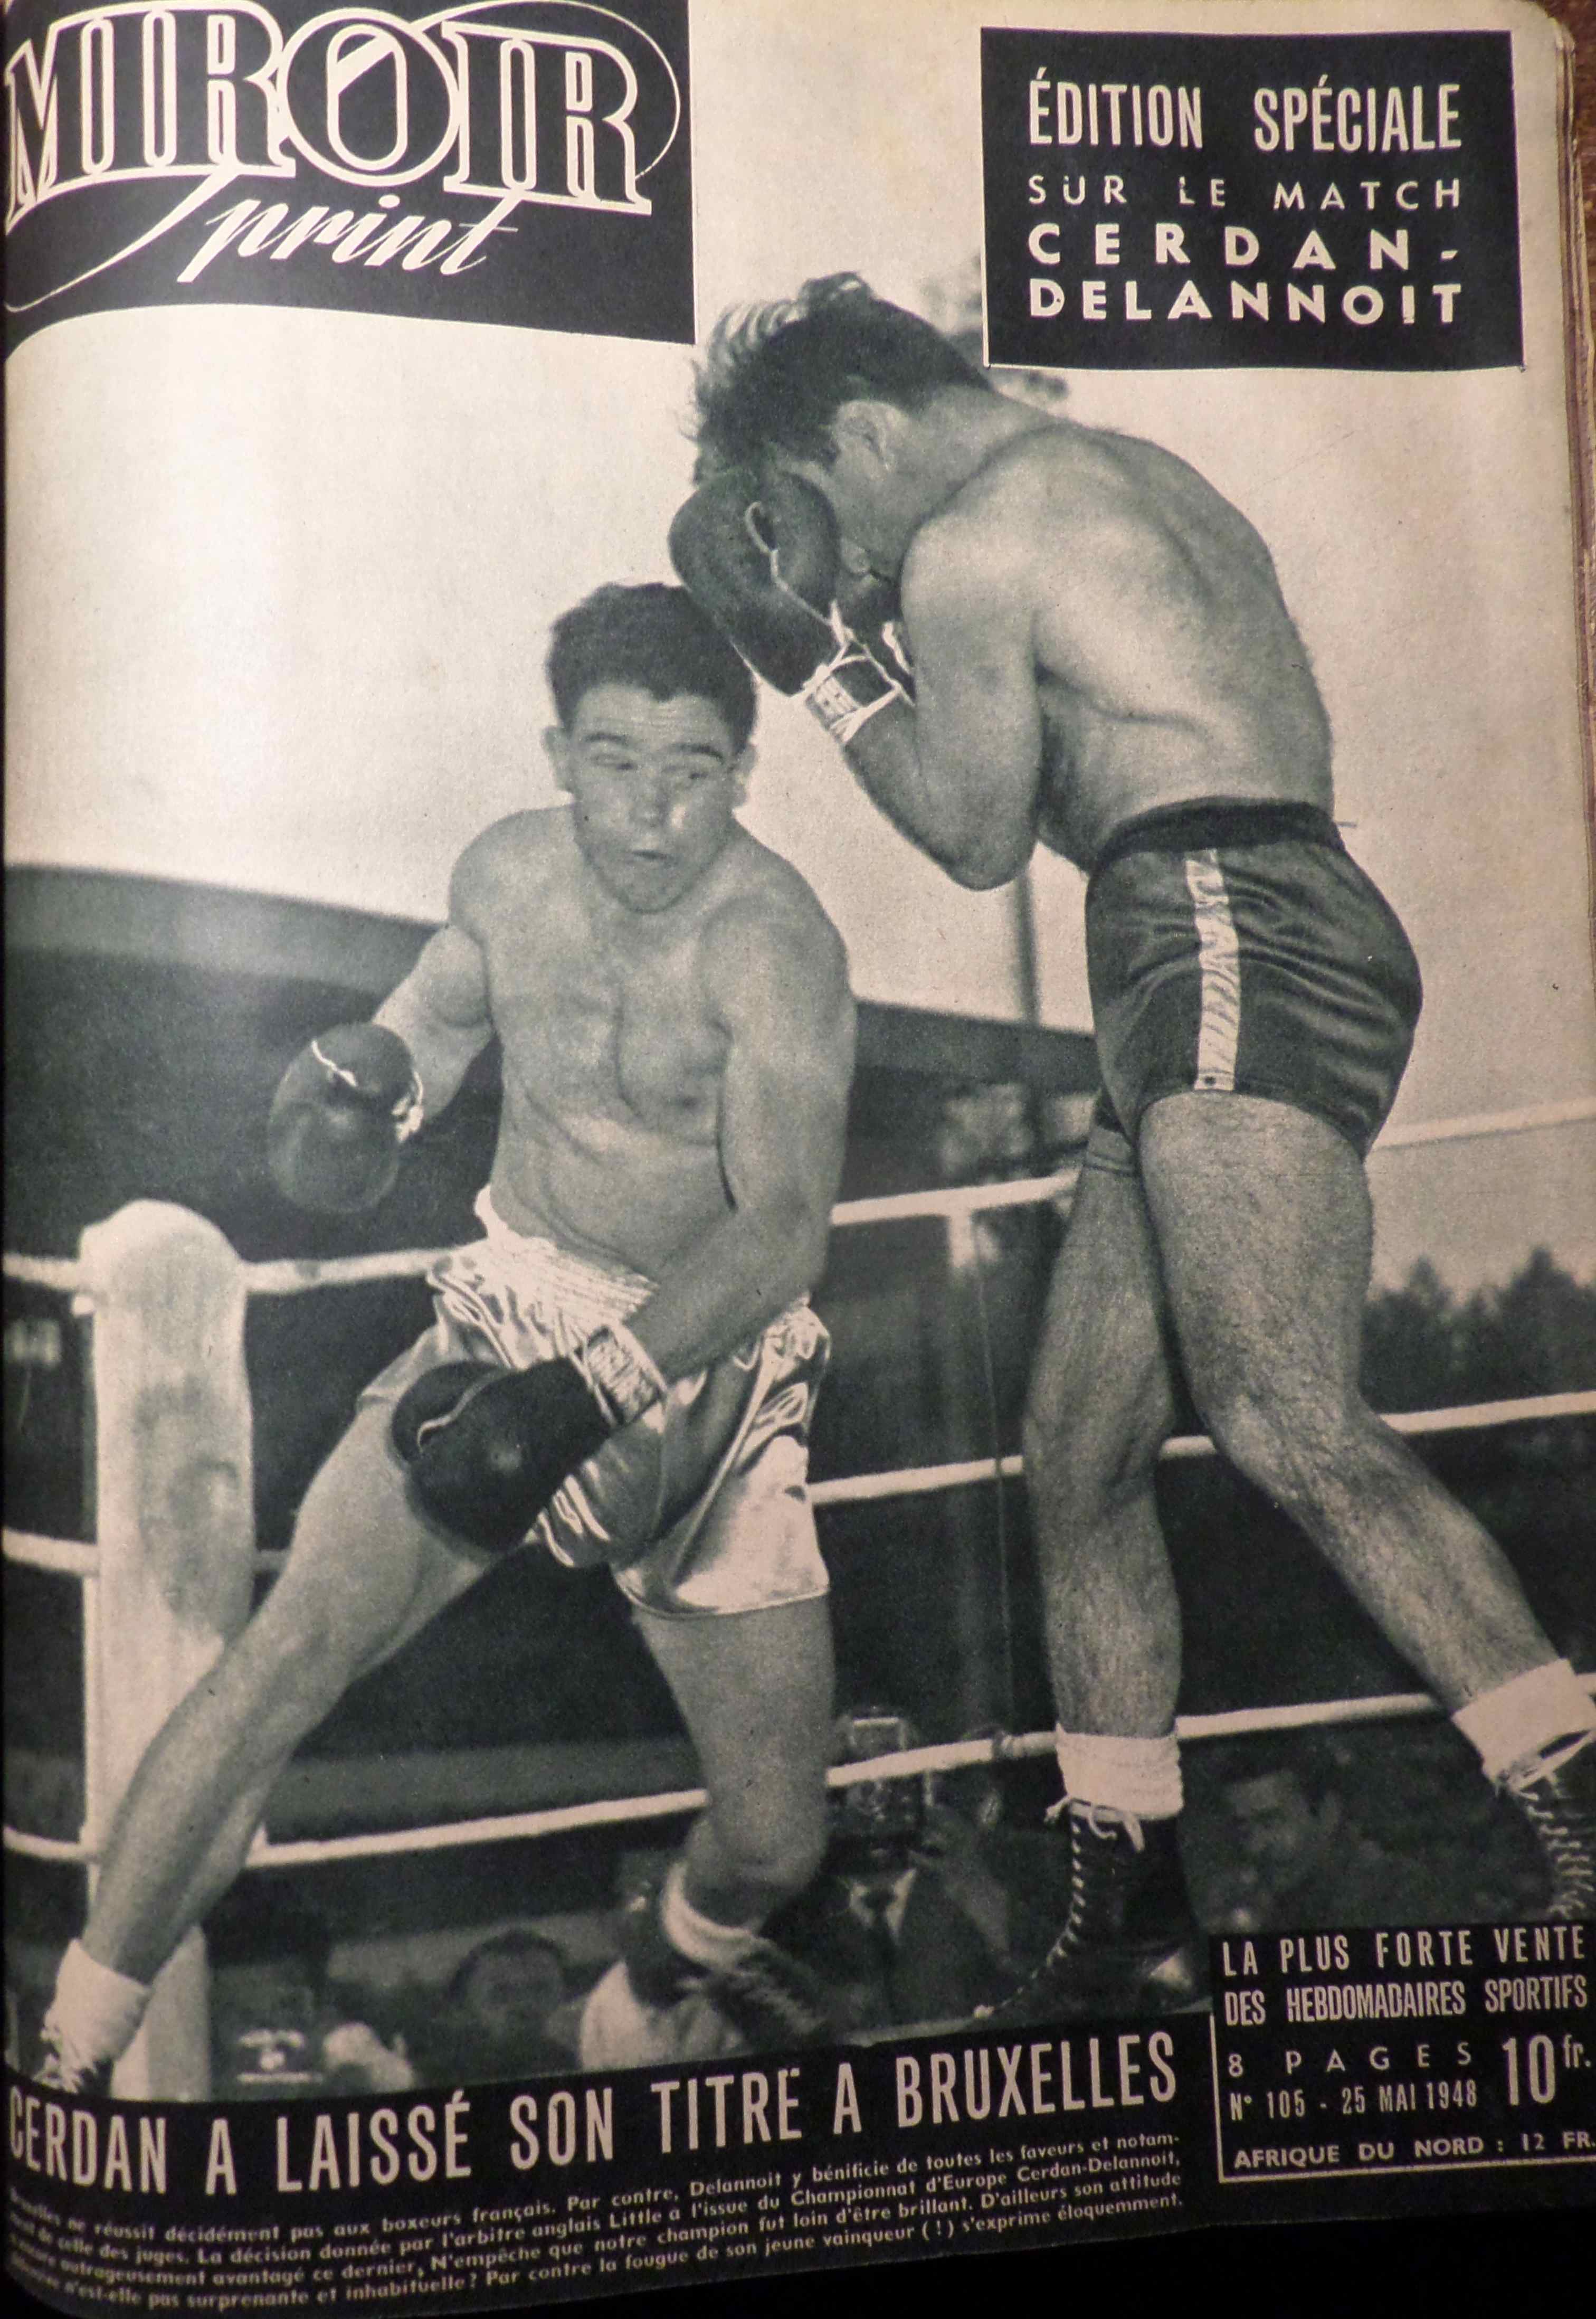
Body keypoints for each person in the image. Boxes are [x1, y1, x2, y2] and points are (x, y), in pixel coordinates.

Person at [668, 275, 1596, 2019]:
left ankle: (1582, 1807)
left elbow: (970, 830)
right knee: (1080, 1444)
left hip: (1221, 923)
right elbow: (1100, 773)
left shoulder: (971, 545)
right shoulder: (1133, 477)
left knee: (1280, 1409)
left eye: (825, 518)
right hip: (1219, 926)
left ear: (862, 433)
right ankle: (1132, 1902)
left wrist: (823, 666)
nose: (848, 568)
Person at [37, 583, 856, 2092]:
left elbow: (783, 1230)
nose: (652, 811)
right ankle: (74, 2046)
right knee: (286, 1657)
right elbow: (428, 1026)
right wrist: (371, 1088)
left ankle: (646, 1986)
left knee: (772, 1838)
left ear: (744, 772)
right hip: (510, 1310)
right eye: (614, 761)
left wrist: (592, 1393)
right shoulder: (507, 875)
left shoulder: (775, 944)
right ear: (558, 755)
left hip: (708, 1370)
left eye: (691, 769)